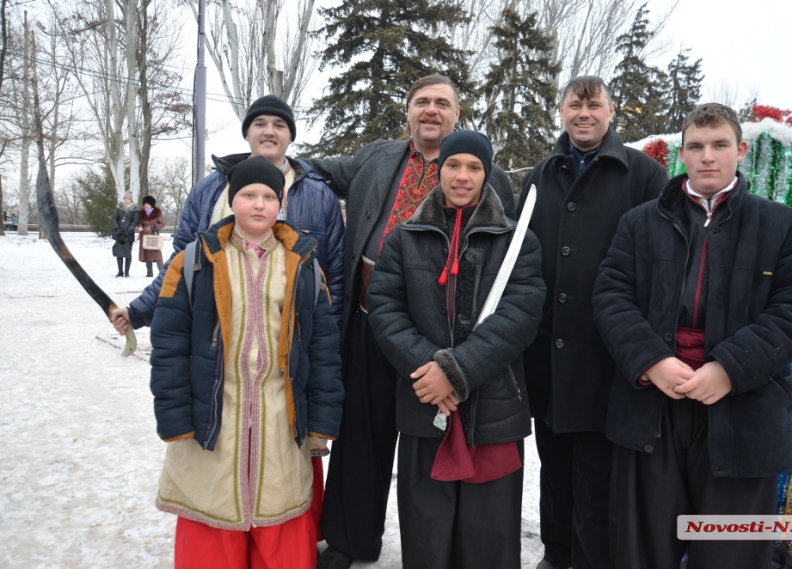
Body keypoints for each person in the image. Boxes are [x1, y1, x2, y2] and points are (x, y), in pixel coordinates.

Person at [592, 103, 792, 569]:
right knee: (643, 548)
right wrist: (651, 361)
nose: (708, 157)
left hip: (742, 411)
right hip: (652, 409)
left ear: (740, 150)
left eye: (719, 145)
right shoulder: (640, 223)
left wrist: (728, 369)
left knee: (730, 549)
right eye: (696, 147)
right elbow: (610, 295)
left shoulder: (781, 226)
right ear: (682, 155)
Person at [305, 74, 517, 568]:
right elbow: (312, 168)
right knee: (362, 435)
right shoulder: (376, 157)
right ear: (408, 110)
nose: (430, 110)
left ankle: (441, 548)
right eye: (421, 101)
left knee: (433, 441)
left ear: (456, 114)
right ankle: (349, 540)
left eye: (441, 103)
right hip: (370, 321)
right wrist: (265, 166)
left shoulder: (489, 176)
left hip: (444, 338)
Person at [149, 156, 344, 569]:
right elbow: (168, 346)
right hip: (210, 427)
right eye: (248, 195)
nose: (259, 204)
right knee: (213, 528)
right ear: (231, 200)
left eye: (269, 196)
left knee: (282, 527)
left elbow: (323, 350)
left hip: (280, 422)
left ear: (281, 203)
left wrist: (322, 423)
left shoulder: (305, 265)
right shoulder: (193, 261)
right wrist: (174, 418)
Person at [366, 130, 545, 569]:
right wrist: (430, 371)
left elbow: (519, 317)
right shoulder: (404, 237)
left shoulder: (517, 241)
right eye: (453, 165)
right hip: (425, 402)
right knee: (427, 531)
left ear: (487, 173)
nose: (462, 176)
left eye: (474, 167)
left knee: (488, 536)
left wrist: (457, 370)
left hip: (494, 409)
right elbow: (385, 310)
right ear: (439, 169)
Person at [517, 75, 668, 569]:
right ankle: (557, 554)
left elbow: (662, 259)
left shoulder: (644, 176)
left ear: (611, 111)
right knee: (554, 470)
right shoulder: (539, 175)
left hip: (609, 354)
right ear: (560, 111)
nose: (584, 113)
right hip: (549, 354)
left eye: (594, 105)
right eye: (574, 105)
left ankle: (594, 559)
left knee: (599, 475)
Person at [110, 94, 344, 332]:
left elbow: (334, 279)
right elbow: (182, 261)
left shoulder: (320, 196)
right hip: (218, 337)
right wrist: (138, 311)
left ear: (291, 136)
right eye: (260, 124)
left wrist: (329, 347)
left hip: (294, 340)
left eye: (279, 125)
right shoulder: (209, 191)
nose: (269, 131)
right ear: (246, 133)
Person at [137, 195, 166, 277]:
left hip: (153, 235)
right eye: (145, 204)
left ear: (151, 205)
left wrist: (156, 227)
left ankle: (162, 271)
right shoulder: (141, 213)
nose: (146, 206)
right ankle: (149, 272)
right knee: (146, 253)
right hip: (144, 235)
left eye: (148, 204)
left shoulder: (157, 213)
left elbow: (162, 223)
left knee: (156, 253)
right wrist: (139, 226)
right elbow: (139, 222)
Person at [112, 192, 139, 277]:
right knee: (119, 253)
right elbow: (114, 219)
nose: (126, 201)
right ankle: (120, 271)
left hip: (129, 234)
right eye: (125, 199)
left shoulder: (135, 209)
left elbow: (135, 221)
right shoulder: (119, 208)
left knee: (128, 253)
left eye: (127, 199)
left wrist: (128, 231)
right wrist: (117, 229)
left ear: (131, 200)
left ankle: (127, 271)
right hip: (119, 233)